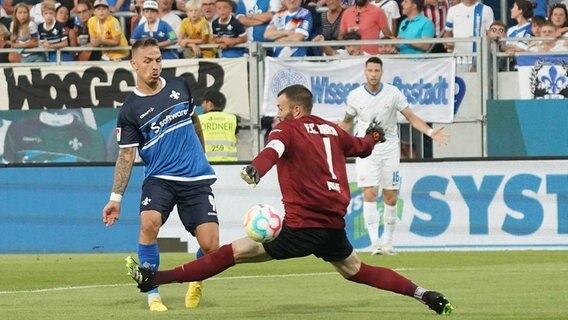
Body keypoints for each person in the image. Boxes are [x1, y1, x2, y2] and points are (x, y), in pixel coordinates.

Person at [125, 84, 454, 316]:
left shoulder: (286, 130)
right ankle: (424, 294)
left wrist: (255, 169)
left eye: (280, 108)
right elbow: (361, 146)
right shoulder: (332, 130)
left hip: (300, 227)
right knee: (355, 269)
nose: (277, 114)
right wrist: (375, 136)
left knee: (233, 252)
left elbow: (273, 152)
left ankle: (157, 278)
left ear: (296, 110)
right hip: (331, 225)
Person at [102, 38, 220, 312]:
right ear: (134, 64)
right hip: (160, 179)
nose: (154, 66)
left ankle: (196, 278)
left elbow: (194, 121)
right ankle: (153, 293)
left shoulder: (180, 86)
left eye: (158, 60)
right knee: (148, 223)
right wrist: (115, 198)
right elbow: (127, 155)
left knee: (212, 246)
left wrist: (202, 154)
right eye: (147, 61)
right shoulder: (130, 109)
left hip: (195, 177)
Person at [339, 57, 450, 255]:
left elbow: (412, 117)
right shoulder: (355, 96)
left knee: (390, 196)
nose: (373, 74)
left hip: (389, 149)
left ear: (382, 72)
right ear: (365, 72)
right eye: (370, 70)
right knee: (369, 193)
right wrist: (334, 142)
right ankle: (374, 244)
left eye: (376, 71)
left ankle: (388, 242)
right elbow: (347, 121)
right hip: (366, 150)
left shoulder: (393, 93)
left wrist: (431, 133)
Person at [443, 0, 494, 69]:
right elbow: (448, 33)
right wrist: (449, 45)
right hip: (458, 60)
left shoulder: (487, 10)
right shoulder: (452, 10)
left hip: (480, 60)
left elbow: (490, 34)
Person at [198, 90, 238, 161]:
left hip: (206, 163)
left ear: (209, 103)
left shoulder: (199, 120)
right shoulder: (232, 119)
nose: (202, 105)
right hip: (230, 164)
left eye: (203, 102)